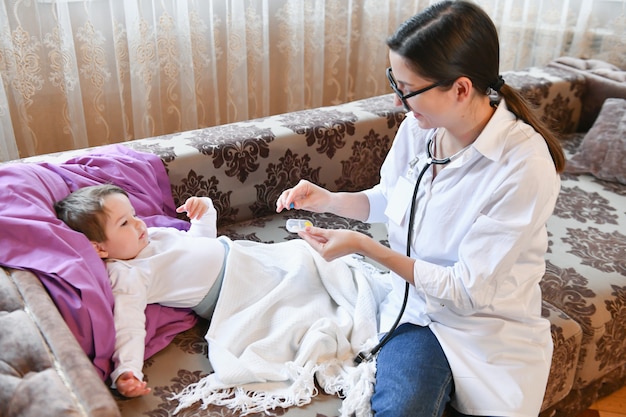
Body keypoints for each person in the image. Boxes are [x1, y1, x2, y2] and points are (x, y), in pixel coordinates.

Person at [276, 1, 564, 417]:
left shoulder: (524, 165)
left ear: (461, 89)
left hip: (480, 327)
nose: (398, 102)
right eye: (396, 82)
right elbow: (393, 200)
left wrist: (365, 247)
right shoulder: (419, 128)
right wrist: (328, 200)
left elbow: (466, 292)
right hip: (413, 309)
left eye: (408, 90)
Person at [55, 184, 229, 398]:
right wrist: (127, 369)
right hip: (228, 291)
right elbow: (128, 323)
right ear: (99, 248)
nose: (139, 223)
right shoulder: (126, 272)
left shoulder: (153, 235)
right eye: (124, 223)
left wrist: (203, 213)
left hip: (241, 257)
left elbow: (200, 244)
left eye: (134, 214)